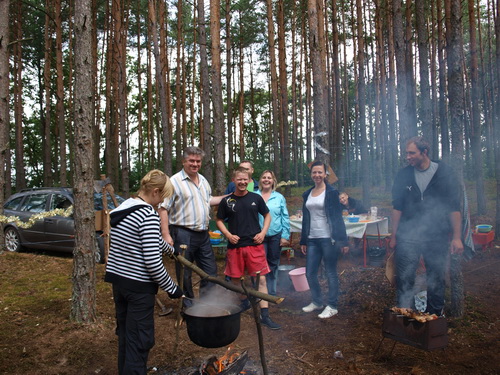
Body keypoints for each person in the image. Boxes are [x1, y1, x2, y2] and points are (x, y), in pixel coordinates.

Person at [105, 170, 183, 375]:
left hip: (120, 284)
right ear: (155, 192)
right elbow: (153, 263)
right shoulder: (148, 214)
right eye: (163, 197)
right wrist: (172, 288)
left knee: (126, 336)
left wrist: (170, 249)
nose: (162, 202)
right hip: (139, 290)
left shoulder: (125, 208)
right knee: (139, 341)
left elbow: (146, 239)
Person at [389, 136, 463, 316]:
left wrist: (456, 237)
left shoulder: (444, 173)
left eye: (412, 153)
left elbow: (454, 207)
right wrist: (393, 235)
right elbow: (397, 207)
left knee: (436, 277)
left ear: (424, 152)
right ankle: (406, 313)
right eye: (406, 153)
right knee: (405, 276)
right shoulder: (403, 175)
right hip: (408, 234)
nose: (408, 157)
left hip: (436, 234)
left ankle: (434, 315)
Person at [159, 146, 226, 306]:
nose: (195, 164)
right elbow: (163, 208)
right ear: (183, 161)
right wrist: (166, 234)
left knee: (210, 271)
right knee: (184, 274)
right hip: (182, 233)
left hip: (203, 234)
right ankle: (188, 308)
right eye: (191, 161)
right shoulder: (174, 181)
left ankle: (206, 306)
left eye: (198, 161)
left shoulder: (203, 180)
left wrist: (230, 197)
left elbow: (208, 200)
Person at [216, 167, 281, 330]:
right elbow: (218, 220)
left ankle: (265, 315)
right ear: (234, 180)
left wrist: (263, 232)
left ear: (250, 181)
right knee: (236, 280)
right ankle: (244, 301)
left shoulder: (256, 198)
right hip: (235, 247)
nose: (242, 182)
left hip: (255, 246)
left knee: (262, 280)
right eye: (239, 179)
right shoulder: (227, 201)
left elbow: (267, 215)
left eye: (245, 179)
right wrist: (228, 234)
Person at [300, 161, 349, 319]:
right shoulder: (307, 194)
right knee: (310, 273)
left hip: (329, 239)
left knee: (330, 273)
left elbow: (337, 218)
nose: (317, 175)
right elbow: (305, 220)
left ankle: (332, 305)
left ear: (325, 174)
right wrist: (303, 240)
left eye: (320, 172)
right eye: (314, 172)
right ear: (311, 175)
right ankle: (317, 301)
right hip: (312, 239)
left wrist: (343, 240)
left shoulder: (332, 192)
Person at [256, 170, 290, 296]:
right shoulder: (254, 196)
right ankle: (260, 291)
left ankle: (272, 292)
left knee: (273, 263)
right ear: (260, 180)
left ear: (273, 181)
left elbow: (285, 217)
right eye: (264, 177)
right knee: (259, 264)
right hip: (259, 236)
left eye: (269, 178)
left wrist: (285, 236)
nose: (266, 180)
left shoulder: (279, 197)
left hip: (275, 236)